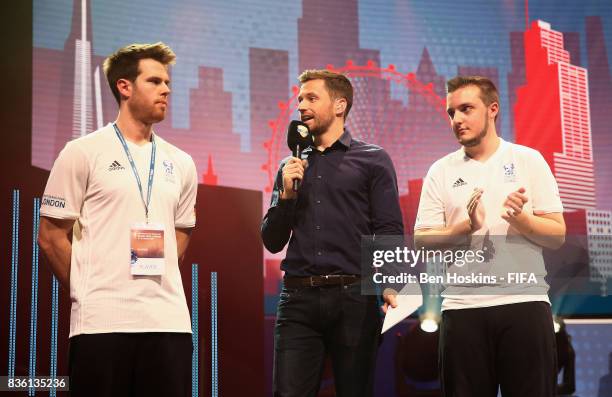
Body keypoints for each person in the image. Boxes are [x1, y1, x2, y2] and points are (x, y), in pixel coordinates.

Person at [38, 42, 198, 397]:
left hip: (169, 323)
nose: (167, 89)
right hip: (101, 325)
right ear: (124, 87)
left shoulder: (182, 162)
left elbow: (183, 230)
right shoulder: (81, 152)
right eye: (155, 81)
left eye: (168, 82)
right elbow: (50, 236)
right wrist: (85, 289)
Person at [414, 76, 566, 397]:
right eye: (451, 112)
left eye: (466, 109)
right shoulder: (440, 170)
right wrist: (463, 228)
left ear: (492, 109)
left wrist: (524, 221)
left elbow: (557, 235)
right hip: (462, 308)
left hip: (524, 304)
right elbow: (421, 241)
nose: (457, 120)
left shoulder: (528, 160)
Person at [261, 69, 404, 397]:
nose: (301, 106)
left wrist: (392, 282)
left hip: (354, 298)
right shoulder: (289, 166)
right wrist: (286, 196)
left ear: (340, 106)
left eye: (312, 98)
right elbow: (271, 240)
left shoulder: (373, 160)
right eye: (299, 99)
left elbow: (388, 228)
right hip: (297, 300)